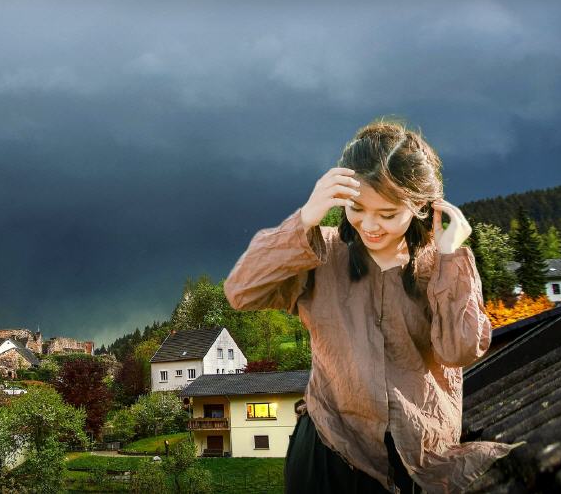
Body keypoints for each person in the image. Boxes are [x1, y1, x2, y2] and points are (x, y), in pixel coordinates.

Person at [224, 120, 524, 493]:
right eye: (357, 208)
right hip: (329, 453)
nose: (370, 226)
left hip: (418, 458)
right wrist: (305, 217)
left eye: (387, 214)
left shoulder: (441, 266)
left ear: (420, 208)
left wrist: (452, 258)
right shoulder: (321, 253)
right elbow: (241, 291)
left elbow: (460, 349)